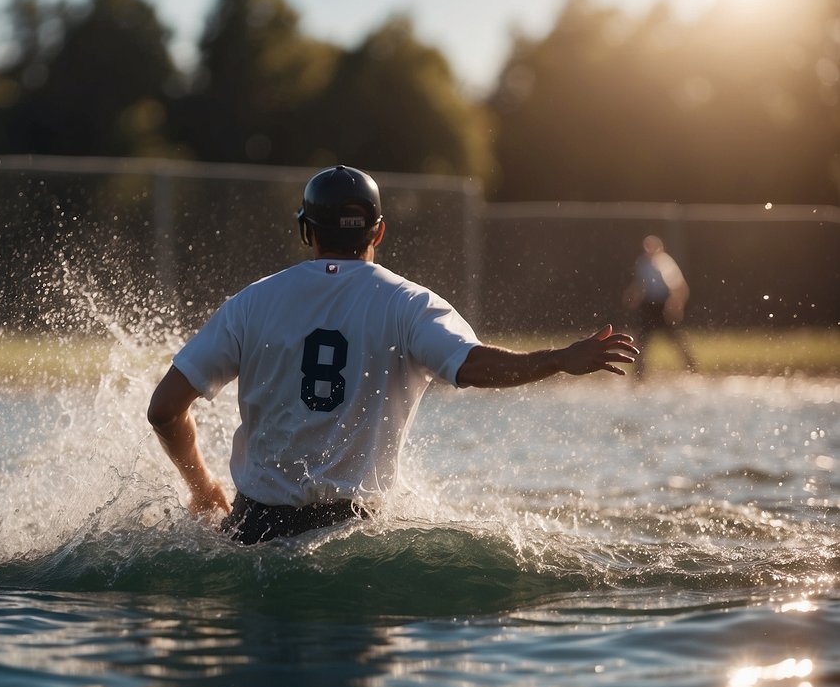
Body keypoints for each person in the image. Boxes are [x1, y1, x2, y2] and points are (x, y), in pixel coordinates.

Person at [147, 165, 639, 545]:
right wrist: (557, 358)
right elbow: (473, 366)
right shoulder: (409, 305)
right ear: (378, 232)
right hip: (352, 537)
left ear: (306, 231)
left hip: (255, 530)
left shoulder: (251, 303)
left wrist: (202, 486)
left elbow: (164, 409)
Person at [623, 234, 697, 379]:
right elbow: (640, 284)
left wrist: (676, 305)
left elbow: (679, 286)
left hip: (663, 306)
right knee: (642, 341)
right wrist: (632, 296)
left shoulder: (665, 263)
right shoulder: (642, 263)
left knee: (676, 339)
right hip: (648, 306)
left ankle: (692, 369)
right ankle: (639, 375)